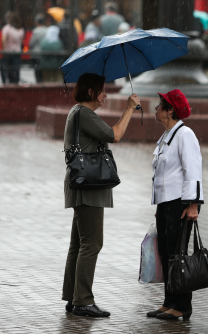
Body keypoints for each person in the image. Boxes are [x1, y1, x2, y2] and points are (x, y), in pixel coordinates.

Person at [62, 73, 140, 317]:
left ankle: (74, 298)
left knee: (79, 243)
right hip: (89, 186)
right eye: (102, 91)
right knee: (92, 243)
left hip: (81, 184)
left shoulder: (76, 112)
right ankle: (83, 301)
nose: (105, 95)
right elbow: (114, 135)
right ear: (90, 92)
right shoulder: (84, 113)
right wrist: (129, 108)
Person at [147, 89, 203, 321]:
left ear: (170, 110)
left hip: (180, 203)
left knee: (177, 255)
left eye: (160, 106)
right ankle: (169, 302)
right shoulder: (167, 135)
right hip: (165, 203)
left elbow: (193, 169)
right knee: (166, 252)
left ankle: (182, 306)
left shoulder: (184, 134)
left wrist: (193, 204)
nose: (156, 109)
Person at [2, 13, 24, 84]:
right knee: (16, 69)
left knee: (8, 69)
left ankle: (10, 84)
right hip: (17, 53)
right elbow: (21, 41)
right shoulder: (21, 29)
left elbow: (3, 40)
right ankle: (16, 84)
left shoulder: (6, 28)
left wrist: (4, 49)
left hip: (8, 53)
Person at [29, 14, 48, 83]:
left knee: (37, 71)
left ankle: (38, 82)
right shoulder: (47, 30)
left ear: (37, 22)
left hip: (36, 55)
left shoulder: (35, 31)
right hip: (44, 54)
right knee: (43, 70)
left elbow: (31, 43)